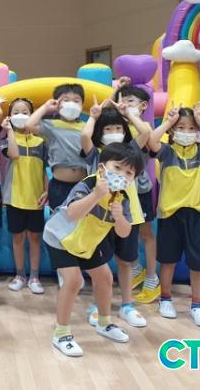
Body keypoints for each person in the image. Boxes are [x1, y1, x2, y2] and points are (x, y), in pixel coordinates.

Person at [44, 143, 144, 357]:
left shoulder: (123, 198)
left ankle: (104, 323)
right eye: (117, 168)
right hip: (61, 238)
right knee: (73, 281)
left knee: (105, 278)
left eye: (129, 173)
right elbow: (73, 214)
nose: (122, 175)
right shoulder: (88, 184)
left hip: (88, 243)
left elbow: (124, 232)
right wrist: (96, 195)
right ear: (102, 168)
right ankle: (61, 333)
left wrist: (119, 217)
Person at [147, 102, 200, 327]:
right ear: (173, 131)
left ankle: (197, 305)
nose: (186, 131)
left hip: (198, 215)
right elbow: (151, 141)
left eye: (191, 128)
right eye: (181, 127)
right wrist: (168, 122)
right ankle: (165, 299)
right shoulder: (167, 151)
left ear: (198, 132)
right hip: (169, 215)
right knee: (168, 261)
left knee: (198, 264)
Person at [81, 96, 150, 328]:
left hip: (129, 216)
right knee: (99, 265)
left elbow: (145, 132)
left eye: (118, 128)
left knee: (126, 261)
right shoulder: (97, 154)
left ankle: (127, 305)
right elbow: (84, 136)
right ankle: (98, 305)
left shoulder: (130, 152)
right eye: (108, 129)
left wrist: (127, 113)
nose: (113, 132)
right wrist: (93, 117)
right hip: (99, 218)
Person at [113, 84, 160, 304]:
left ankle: (151, 278)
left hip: (139, 189)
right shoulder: (117, 127)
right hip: (117, 188)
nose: (125, 104)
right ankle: (136, 269)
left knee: (145, 232)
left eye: (130, 101)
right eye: (122, 100)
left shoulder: (143, 126)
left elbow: (147, 135)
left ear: (143, 106)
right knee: (120, 231)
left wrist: (130, 115)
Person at [0, 98, 48, 294]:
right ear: (9, 117)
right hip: (14, 198)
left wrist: (46, 191)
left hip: (35, 199)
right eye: (16, 112)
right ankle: (20, 274)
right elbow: (14, 155)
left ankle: (34, 276)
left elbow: (44, 170)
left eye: (25, 112)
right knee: (18, 238)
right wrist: (10, 131)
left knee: (35, 239)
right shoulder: (7, 139)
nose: (21, 115)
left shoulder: (41, 141)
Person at [25, 83, 88, 211]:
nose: (71, 104)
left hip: (82, 185)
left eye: (76, 101)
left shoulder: (87, 126)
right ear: (57, 104)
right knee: (58, 218)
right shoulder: (51, 125)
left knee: (80, 219)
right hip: (59, 185)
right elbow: (28, 125)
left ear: (82, 105)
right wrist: (46, 107)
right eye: (66, 100)